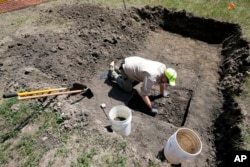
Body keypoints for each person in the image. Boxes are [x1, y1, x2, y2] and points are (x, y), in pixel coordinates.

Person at [108, 56, 177, 115]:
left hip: (133, 63)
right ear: (164, 75)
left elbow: (162, 82)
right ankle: (113, 72)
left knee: (135, 81)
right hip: (127, 66)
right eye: (168, 81)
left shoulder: (163, 68)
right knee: (128, 88)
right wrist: (151, 107)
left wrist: (162, 93)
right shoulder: (152, 76)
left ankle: (118, 69)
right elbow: (143, 95)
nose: (167, 83)